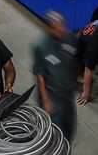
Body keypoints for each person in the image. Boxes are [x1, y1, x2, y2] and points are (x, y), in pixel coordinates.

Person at [33, 10, 78, 143]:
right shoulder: (42, 47)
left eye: (62, 26)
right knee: (55, 133)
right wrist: (46, 100)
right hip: (52, 97)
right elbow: (39, 75)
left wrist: (75, 80)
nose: (60, 31)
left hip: (67, 94)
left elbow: (74, 59)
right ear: (49, 28)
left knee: (69, 127)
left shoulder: (70, 38)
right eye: (56, 28)